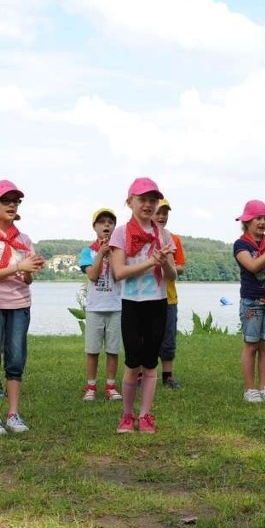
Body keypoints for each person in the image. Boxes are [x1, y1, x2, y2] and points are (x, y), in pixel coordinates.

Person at [0, 180, 45, 436]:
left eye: (15, 201)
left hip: (20, 304)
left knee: (16, 359)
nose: (12, 205)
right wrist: (19, 267)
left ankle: (13, 414)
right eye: (6, 201)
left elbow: (28, 278)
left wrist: (30, 270)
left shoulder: (24, 239)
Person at [109, 178, 177, 434]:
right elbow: (119, 272)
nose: (148, 205)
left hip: (158, 303)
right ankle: (127, 415)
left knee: (150, 363)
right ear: (130, 202)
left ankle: (146, 415)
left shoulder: (163, 234)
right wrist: (150, 262)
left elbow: (172, 276)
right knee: (132, 362)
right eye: (143, 200)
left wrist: (164, 263)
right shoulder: (121, 233)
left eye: (153, 200)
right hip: (131, 304)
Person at [233, 200, 265, 403]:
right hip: (252, 301)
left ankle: (264, 387)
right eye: (257, 218)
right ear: (247, 221)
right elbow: (252, 266)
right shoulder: (241, 244)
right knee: (251, 345)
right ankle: (250, 388)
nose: (262, 222)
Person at [79, 208, 123, 402]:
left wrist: (111, 253)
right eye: (102, 222)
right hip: (95, 308)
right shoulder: (87, 251)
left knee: (113, 349)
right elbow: (93, 275)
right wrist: (100, 254)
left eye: (110, 222)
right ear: (94, 227)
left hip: (116, 307)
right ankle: (91, 386)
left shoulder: (120, 251)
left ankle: (111, 386)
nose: (106, 225)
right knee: (93, 349)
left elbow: (117, 274)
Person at [155, 198, 185, 389]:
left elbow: (180, 267)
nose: (161, 216)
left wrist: (169, 264)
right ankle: (141, 376)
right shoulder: (141, 237)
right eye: (158, 212)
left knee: (168, 337)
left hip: (169, 296)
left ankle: (167, 376)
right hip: (146, 296)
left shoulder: (174, 239)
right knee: (144, 337)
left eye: (165, 213)